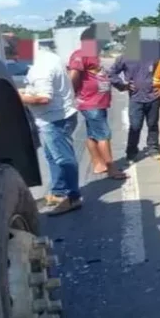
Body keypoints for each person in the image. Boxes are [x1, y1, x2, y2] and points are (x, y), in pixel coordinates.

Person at [20, 46, 82, 215]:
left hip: (54, 119)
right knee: (52, 156)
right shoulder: (49, 56)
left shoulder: (41, 69)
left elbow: (43, 98)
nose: (17, 61)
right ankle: (58, 192)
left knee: (63, 158)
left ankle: (72, 197)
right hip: (60, 114)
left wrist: (18, 96)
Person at [68, 47, 125, 180]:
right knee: (103, 135)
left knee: (93, 134)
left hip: (98, 102)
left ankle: (98, 163)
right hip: (90, 103)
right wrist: (73, 94)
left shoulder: (94, 55)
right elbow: (74, 75)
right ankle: (112, 169)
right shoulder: (80, 54)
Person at [109, 55, 160, 161]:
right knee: (135, 126)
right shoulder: (124, 58)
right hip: (136, 98)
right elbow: (111, 73)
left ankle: (153, 148)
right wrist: (123, 85)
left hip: (154, 97)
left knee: (153, 124)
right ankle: (131, 152)